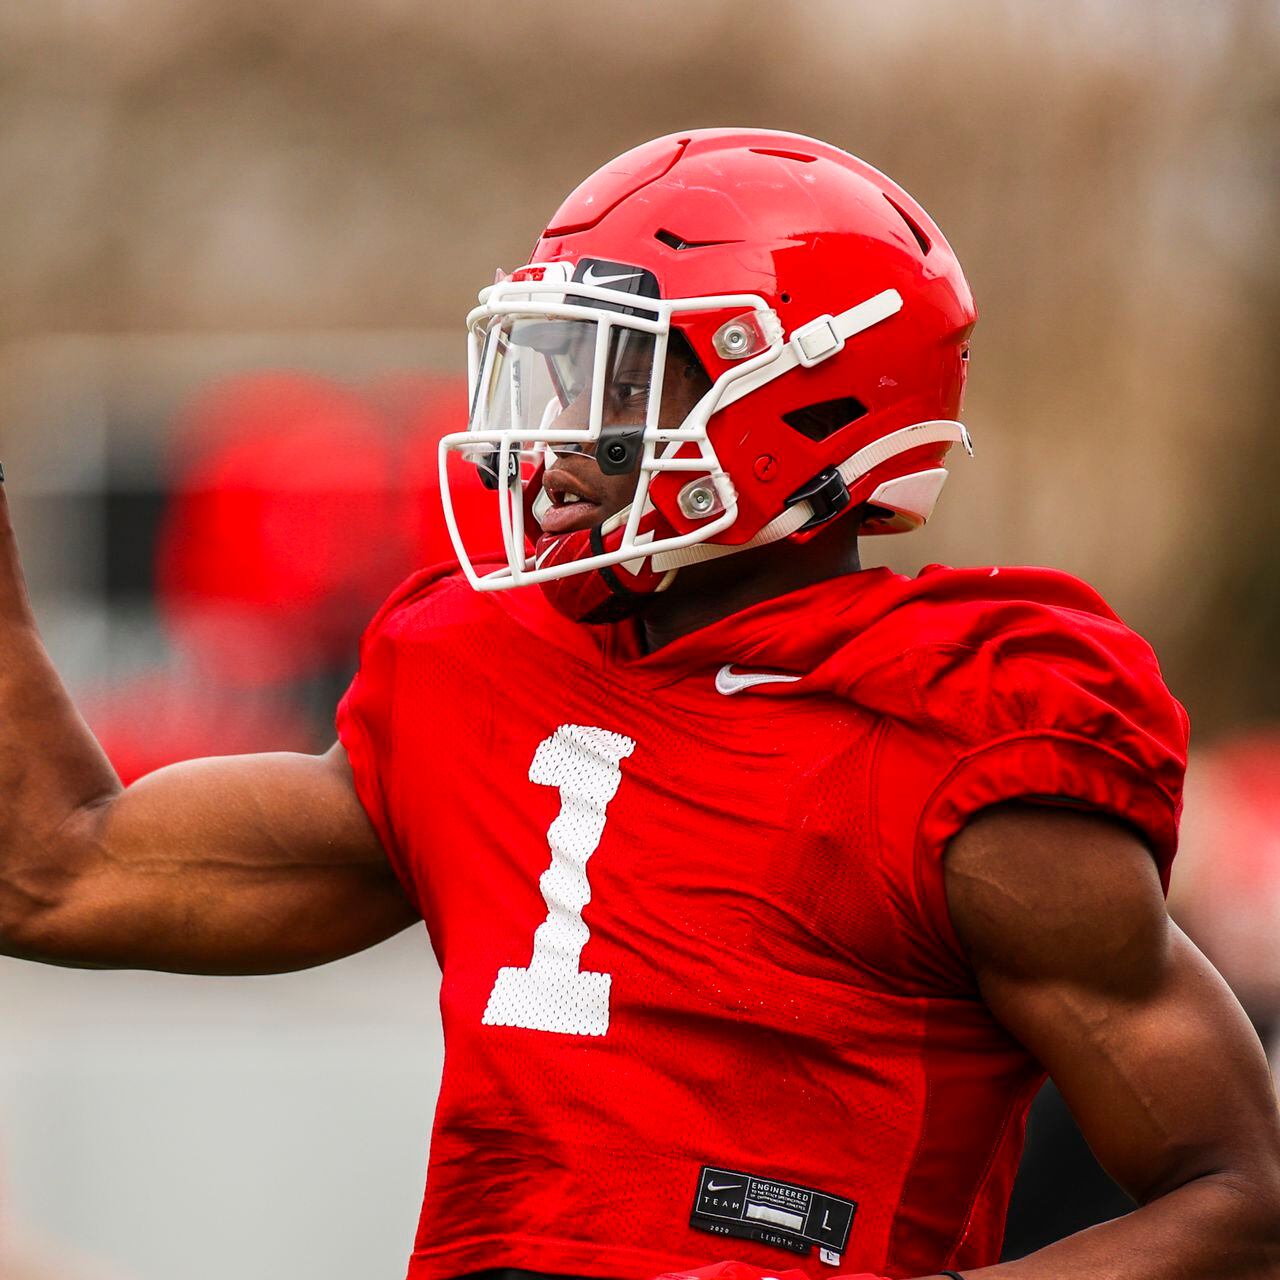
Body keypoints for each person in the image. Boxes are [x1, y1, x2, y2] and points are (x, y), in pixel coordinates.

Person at [0, 129, 1277, 1280]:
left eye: (615, 383)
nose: (556, 437)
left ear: (793, 397)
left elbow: (1235, 1198)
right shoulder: (475, 670)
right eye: (556, 372)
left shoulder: (958, 726)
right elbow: (47, 871)